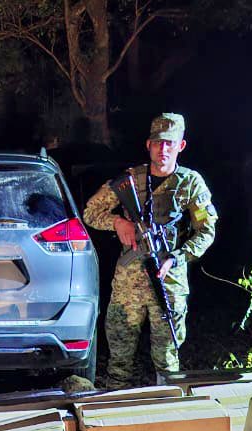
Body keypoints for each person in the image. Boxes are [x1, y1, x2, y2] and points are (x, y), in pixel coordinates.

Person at [83, 113, 217, 389]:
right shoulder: (130, 180)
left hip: (169, 282)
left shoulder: (190, 183)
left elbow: (207, 231)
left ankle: (165, 413)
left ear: (181, 146)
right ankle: (112, 413)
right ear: (148, 145)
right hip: (128, 283)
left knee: (167, 362)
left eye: (169, 143)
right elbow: (91, 212)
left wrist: (178, 257)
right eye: (157, 143)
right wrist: (118, 222)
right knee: (119, 359)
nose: (163, 149)